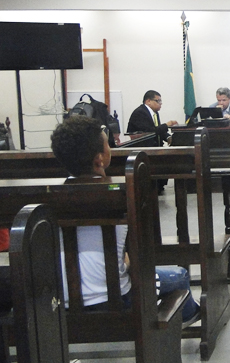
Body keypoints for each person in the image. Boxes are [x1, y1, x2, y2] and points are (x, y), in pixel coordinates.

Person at [50, 116, 201, 327]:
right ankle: (186, 319)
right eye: (108, 145)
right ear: (99, 159)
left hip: (58, 302)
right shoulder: (122, 195)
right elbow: (140, 259)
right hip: (116, 299)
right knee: (179, 276)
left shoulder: (47, 197)